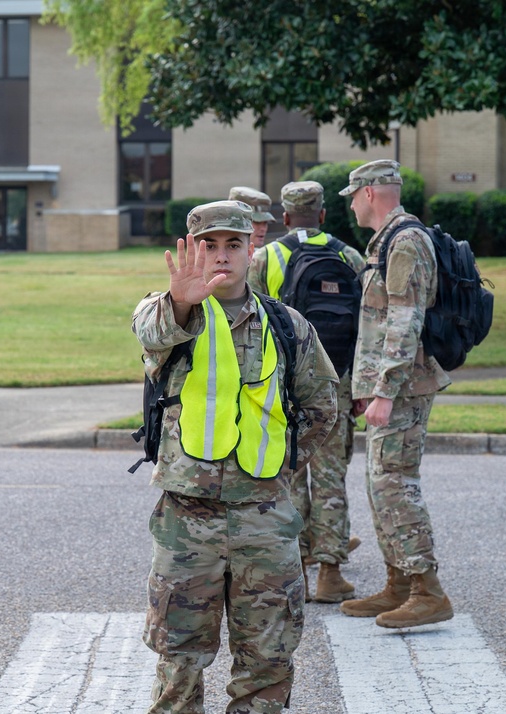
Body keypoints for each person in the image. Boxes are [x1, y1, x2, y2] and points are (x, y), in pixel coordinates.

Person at [133, 199, 338, 713]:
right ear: (193, 250)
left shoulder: (288, 325)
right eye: (209, 245)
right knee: (178, 658)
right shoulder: (170, 313)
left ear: (254, 248)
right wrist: (180, 303)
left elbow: (322, 406)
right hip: (187, 520)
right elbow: (151, 334)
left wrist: (283, 467)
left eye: (233, 244)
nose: (221, 256)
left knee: (268, 660)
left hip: (265, 519)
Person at [336, 160, 455, 629]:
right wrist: (368, 387)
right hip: (388, 386)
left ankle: (428, 590)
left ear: (369, 193)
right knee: (379, 484)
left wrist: (384, 390)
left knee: (395, 485)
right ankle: (399, 584)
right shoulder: (386, 241)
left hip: (404, 388)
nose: (349, 202)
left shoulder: (405, 241)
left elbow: (406, 322)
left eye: (353, 194)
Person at [247, 180, 365, 604]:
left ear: (283, 217)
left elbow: (253, 322)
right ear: (321, 215)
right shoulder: (347, 255)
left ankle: (294, 564)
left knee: (289, 476)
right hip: (337, 384)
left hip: (286, 386)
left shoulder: (266, 257)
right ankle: (331, 574)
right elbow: (365, 323)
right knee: (331, 478)